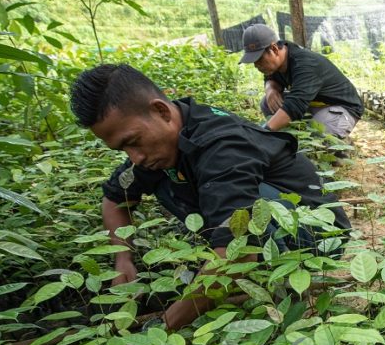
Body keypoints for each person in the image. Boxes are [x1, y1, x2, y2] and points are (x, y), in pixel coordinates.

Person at [71, 63, 351, 331]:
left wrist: (163, 328)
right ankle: (240, 266)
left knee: (248, 221)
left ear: (161, 111)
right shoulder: (158, 146)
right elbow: (114, 199)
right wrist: (123, 258)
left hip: (319, 236)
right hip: (248, 239)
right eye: (123, 150)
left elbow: (238, 253)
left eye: (133, 142)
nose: (135, 157)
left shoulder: (222, 146)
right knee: (163, 178)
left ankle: (286, 284)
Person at [239, 24, 363, 139]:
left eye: (259, 59)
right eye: (253, 61)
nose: (256, 65)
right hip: (312, 103)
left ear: (274, 49)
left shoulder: (305, 64)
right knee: (267, 102)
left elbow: (295, 105)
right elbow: (269, 77)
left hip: (339, 107)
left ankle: (341, 147)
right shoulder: (278, 62)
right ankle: (289, 137)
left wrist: (263, 133)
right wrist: (270, 89)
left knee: (318, 136)